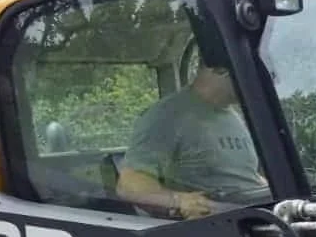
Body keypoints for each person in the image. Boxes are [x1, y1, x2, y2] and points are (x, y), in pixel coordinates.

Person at [116, 63, 271, 217]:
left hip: (255, 215)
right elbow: (129, 185)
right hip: (217, 226)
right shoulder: (167, 115)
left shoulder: (234, 117)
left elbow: (244, 176)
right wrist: (178, 201)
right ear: (221, 67)